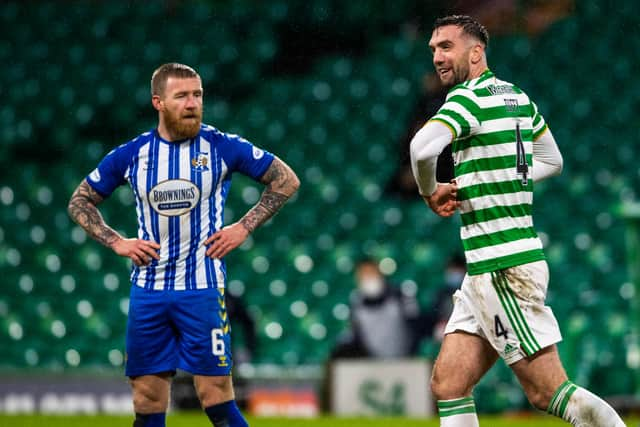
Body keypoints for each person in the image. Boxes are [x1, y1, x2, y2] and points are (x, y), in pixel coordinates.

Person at [409, 15, 625, 427]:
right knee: (449, 384)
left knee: (548, 392)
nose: (437, 56)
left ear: (477, 52)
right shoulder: (517, 97)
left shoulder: (465, 98)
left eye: (446, 47)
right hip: (488, 270)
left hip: (502, 267)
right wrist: (500, 180)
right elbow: (552, 161)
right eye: (433, 48)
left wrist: (429, 189)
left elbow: (421, 148)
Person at [67, 63, 300, 427]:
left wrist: (243, 226)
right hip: (149, 292)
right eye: (182, 96)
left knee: (217, 397)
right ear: (158, 102)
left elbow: (286, 180)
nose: (192, 103)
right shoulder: (133, 155)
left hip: (202, 290)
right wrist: (116, 242)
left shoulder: (221, 146)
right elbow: (79, 201)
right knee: (147, 401)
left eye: (198, 95)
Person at [330, 258, 423, 359]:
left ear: (380, 273)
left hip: (405, 360)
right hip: (372, 364)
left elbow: (416, 326)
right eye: (363, 275)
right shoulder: (355, 303)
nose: (368, 277)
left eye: (371, 272)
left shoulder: (400, 296)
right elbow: (355, 335)